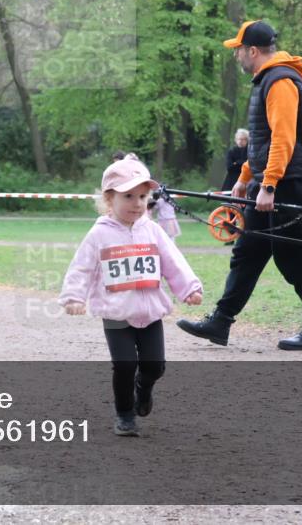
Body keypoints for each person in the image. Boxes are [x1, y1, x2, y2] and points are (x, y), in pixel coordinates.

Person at [177, 20, 302, 351]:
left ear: (252, 51)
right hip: (271, 181)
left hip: (289, 183)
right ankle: (221, 321)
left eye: (237, 50)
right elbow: (262, 141)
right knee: (247, 252)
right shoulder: (267, 80)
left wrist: (269, 185)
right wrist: (246, 177)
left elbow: (283, 138)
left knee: (293, 256)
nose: (235, 56)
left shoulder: (280, 82)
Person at [61, 154, 202, 436]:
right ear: (109, 199)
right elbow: (82, 267)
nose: (137, 203)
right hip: (116, 314)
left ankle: (143, 387)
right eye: (128, 196)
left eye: (142, 196)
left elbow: (173, 261)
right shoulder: (99, 234)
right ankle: (125, 415)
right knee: (124, 364)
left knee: (155, 367)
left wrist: (189, 288)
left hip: (150, 313)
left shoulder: (153, 230)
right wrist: (74, 297)